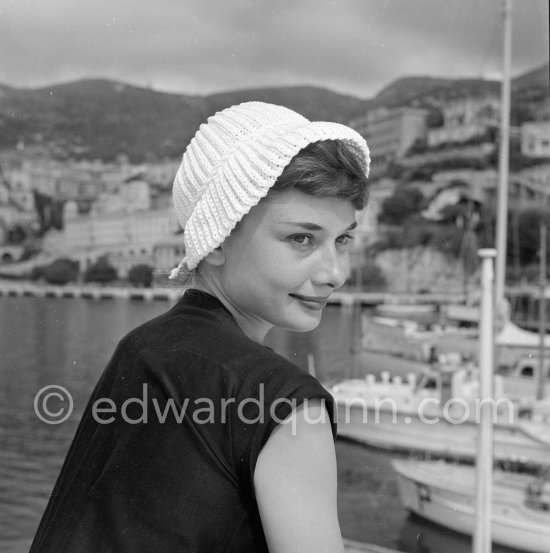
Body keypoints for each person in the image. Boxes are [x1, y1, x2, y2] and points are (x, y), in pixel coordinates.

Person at [30, 101, 370, 553]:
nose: (335, 273)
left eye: (342, 239)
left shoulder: (140, 348)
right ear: (216, 241)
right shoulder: (287, 409)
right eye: (301, 238)